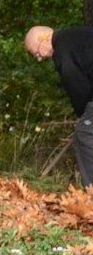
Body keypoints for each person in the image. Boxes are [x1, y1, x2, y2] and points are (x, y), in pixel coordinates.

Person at [24, 24, 93, 187]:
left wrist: (83, 117)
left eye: (36, 52)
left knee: (84, 135)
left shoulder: (63, 50)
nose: (39, 58)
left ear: (44, 39)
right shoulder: (78, 34)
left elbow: (79, 89)